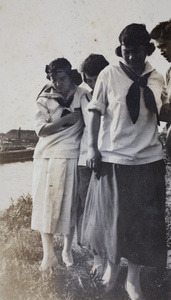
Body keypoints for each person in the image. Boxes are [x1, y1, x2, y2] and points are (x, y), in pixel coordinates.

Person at [81, 24, 168, 299]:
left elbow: (163, 111)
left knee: (142, 225)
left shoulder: (157, 77)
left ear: (147, 50)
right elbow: (95, 112)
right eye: (126, 52)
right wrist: (92, 149)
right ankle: (111, 272)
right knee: (113, 223)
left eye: (137, 51)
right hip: (114, 159)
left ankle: (133, 280)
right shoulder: (109, 73)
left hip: (149, 159)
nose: (131, 57)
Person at [31, 58, 87, 271]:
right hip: (47, 155)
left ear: (70, 76)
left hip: (72, 154)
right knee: (47, 204)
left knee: (69, 205)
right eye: (53, 79)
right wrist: (64, 121)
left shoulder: (82, 94)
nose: (57, 83)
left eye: (62, 78)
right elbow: (40, 130)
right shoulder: (45, 98)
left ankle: (67, 249)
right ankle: (48, 254)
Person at [77, 54, 109, 276]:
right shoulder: (83, 97)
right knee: (86, 211)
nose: (91, 83)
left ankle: (107, 260)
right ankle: (96, 258)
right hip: (83, 160)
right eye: (87, 79)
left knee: (104, 210)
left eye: (95, 78)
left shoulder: (113, 93)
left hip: (106, 158)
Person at [151, 20, 171, 270]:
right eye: (158, 48)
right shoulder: (169, 72)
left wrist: (151, 107)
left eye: (164, 46)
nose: (161, 51)